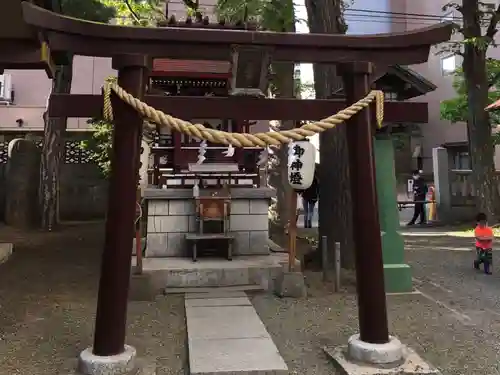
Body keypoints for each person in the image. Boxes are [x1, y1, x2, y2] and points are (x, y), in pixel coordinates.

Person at [299, 164, 319, 228]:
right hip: (312, 197)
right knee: (310, 211)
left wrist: (301, 192)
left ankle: (305, 224)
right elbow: (317, 188)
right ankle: (309, 222)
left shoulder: (306, 178)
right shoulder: (316, 180)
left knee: (306, 211)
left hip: (305, 196)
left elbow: (302, 186)